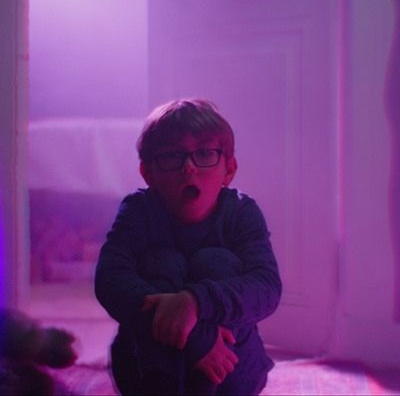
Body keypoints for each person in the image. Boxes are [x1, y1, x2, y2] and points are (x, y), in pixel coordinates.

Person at [94, 98, 282, 395]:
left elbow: (267, 287)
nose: (189, 168)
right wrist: (195, 336)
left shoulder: (242, 212)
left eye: (205, 153)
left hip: (232, 371)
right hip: (146, 374)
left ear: (229, 169)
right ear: (148, 173)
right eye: (172, 156)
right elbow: (110, 279)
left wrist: (196, 301)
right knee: (163, 263)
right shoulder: (138, 211)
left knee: (216, 261)